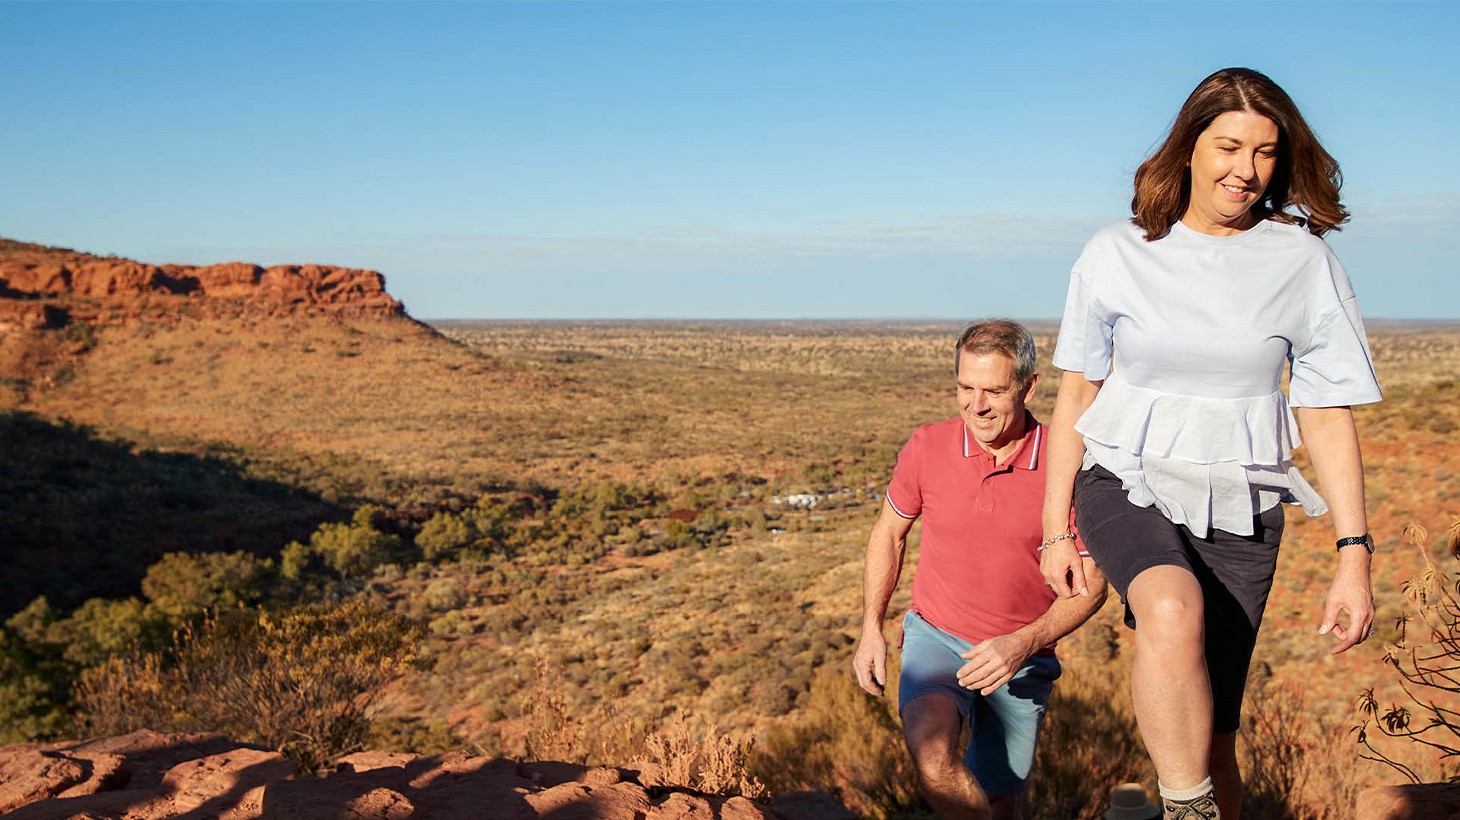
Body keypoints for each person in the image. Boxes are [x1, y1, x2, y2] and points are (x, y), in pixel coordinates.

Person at [1040, 67, 1381, 819]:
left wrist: (1353, 554)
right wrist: (1052, 530)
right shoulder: (1115, 251)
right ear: (1189, 146)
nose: (1246, 171)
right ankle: (1185, 811)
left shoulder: (1303, 261)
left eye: (1264, 153)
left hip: (1243, 499)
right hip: (1125, 478)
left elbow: (1326, 413)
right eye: (1229, 146)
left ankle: (1200, 800)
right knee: (1169, 607)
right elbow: (1076, 395)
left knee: (1216, 734)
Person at [853, 319, 1107, 820]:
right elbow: (889, 534)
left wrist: (1023, 644)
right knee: (932, 756)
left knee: (999, 800)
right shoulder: (927, 447)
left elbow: (1093, 585)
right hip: (936, 638)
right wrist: (870, 629)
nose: (977, 405)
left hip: (1023, 654)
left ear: (1030, 386)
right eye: (965, 388)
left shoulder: (1068, 465)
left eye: (993, 390)